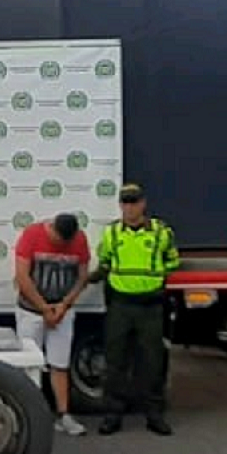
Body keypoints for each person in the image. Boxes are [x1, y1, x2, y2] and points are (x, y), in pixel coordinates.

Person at [95, 183, 180, 436]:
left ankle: (154, 414)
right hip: (121, 305)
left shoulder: (161, 233)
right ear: (121, 205)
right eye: (126, 202)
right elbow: (105, 262)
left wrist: (153, 279)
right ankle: (113, 414)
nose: (130, 207)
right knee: (115, 361)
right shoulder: (111, 233)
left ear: (143, 204)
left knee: (153, 361)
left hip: (150, 306)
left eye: (134, 202)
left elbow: (173, 261)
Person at [14, 213, 91, 436]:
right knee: (29, 365)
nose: (64, 246)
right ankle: (29, 415)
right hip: (31, 311)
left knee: (60, 364)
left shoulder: (79, 240)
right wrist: (44, 309)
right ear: (52, 229)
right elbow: (22, 276)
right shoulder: (32, 235)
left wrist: (64, 305)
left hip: (61, 312)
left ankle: (64, 415)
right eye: (59, 242)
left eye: (68, 243)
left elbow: (82, 277)